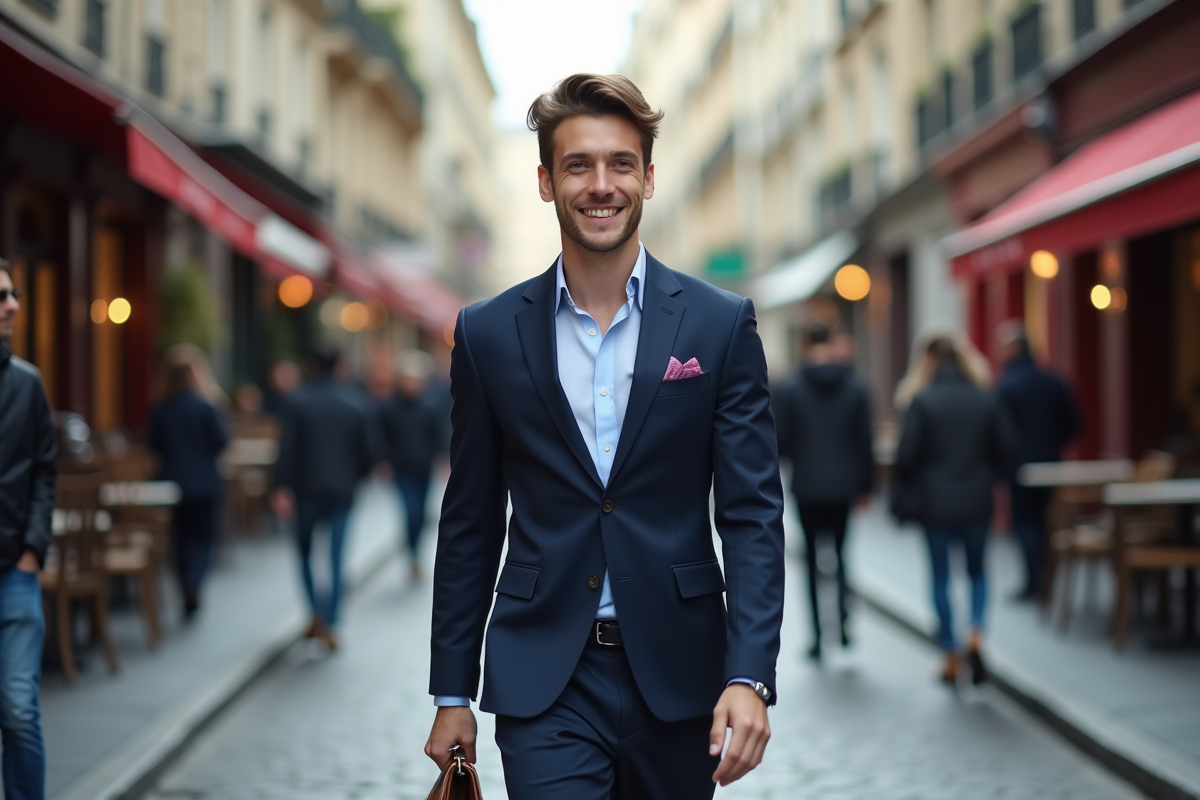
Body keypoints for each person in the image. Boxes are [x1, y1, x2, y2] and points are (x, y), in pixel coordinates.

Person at [424, 74, 785, 799]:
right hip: (543, 677)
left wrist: (749, 674)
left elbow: (751, 514)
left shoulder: (719, 325)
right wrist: (450, 691)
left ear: (649, 179)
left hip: (681, 675)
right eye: (578, 165)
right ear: (545, 181)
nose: (601, 184)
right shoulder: (488, 333)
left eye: (621, 163)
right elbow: (469, 520)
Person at [895, 333, 1013, 686]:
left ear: (929, 362)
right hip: (977, 499)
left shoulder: (924, 401)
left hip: (936, 504)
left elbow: (906, 456)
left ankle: (950, 651)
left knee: (941, 576)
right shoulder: (984, 399)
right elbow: (1007, 448)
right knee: (977, 571)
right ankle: (976, 632)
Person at [773, 323, 873, 660]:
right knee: (843, 555)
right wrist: (866, 485)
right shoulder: (855, 387)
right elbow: (864, 443)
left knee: (813, 560)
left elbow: (781, 440)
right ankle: (843, 623)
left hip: (808, 485)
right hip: (844, 486)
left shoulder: (791, 388)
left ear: (804, 345)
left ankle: (817, 637)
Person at [271, 343, 378, 651]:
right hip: (342, 491)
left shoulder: (297, 402)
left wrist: (282, 487)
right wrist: (353, 479)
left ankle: (315, 612)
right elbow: (369, 453)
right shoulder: (357, 403)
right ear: (340, 366)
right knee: (337, 557)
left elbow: (287, 450)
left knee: (304, 553)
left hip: (306, 490)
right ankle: (331, 620)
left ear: (311, 366)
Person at [0, 259, 56, 800]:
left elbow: (44, 470)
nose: (13, 304)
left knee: (17, 709)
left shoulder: (27, 383)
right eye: (1, 296)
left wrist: (33, 550)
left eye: (13, 292)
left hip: (14, 571)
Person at [995, 320, 1081, 601]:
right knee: (1045, 521)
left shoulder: (1007, 385)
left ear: (1014, 348)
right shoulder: (1054, 381)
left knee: (1025, 523)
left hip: (1019, 467)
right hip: (1051, 464)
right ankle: (1046, 578)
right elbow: (1075, 423)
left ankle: (1035, 580)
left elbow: (999, 431)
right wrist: (1053, 446)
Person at [148, 354, 230, 618]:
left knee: (180, 539)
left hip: (172, 483)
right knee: (205, 538)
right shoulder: (207, 407)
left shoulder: (162, 407)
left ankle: (185, 584)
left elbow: (153, 444)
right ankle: (194, 581)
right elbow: (222, 442)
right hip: (205, 483)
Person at [379, 350, 444, 580]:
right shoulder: (388, 408)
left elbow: (438, 435)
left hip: (423, 467)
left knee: (421, 512)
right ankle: (412, 553)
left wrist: (442, 459)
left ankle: (415, 554)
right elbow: (381, 437)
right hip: (401, 468)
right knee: (411, 510)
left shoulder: (429, 407)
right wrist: (382, 462)